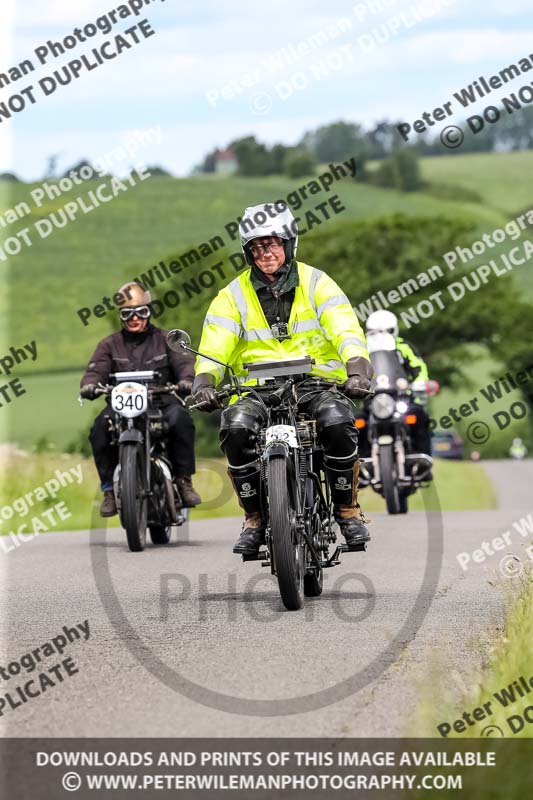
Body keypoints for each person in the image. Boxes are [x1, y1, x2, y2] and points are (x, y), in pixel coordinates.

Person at [190, 202, 373, 555]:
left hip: (316, 382)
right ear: (247, 252)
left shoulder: (318, 282)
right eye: (256, 247)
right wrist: (204, 382)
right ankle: (255, 517)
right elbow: (215, 343)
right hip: (258, 388)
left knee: (337, 422)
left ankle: (347, 510)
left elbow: (345, 327)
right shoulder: (231, 295)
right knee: (235, 427)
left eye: (272, 244)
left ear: (289, 244)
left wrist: (357, 369)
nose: (265, 253)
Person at [80, 282, 201, 516]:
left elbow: (185, 364)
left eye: (141, 312)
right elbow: (95, 371)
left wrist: (187, 380)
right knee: (99, 429)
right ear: (121, 317)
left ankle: (183, 480)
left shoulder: (166, 339)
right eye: (127, 314)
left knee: (181, 419)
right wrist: (89, 386)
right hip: (121, 407)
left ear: (149, 312)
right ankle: (108, 491)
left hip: (161, 402)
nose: (135, 319)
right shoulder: (108, 345)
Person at [362, 309, 431, 456]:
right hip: (372, 400)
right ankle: (359, 463)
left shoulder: (403, 348)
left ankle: (423, 457)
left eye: (387, 331)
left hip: (401, 397)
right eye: (374, 331)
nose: (381, 335)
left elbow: (419, 368)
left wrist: (420, 383)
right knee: (358, 422)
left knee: (419, 416)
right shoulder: (362, 350)